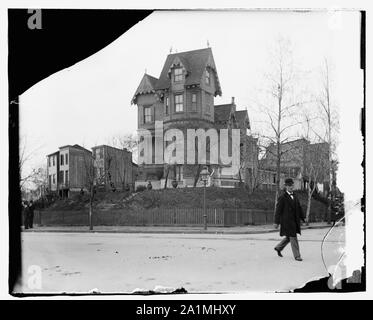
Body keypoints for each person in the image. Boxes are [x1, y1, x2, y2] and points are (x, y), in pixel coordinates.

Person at [274, 178, 305, 261]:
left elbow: (299, 208)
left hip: (294, 221)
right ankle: (297, 255)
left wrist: (303, 218)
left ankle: (278, 247)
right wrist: (276, 222)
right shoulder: (282, 197)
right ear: (286, 187)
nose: (291, 187)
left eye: (292, 185)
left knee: (289, 237)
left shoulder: (295, 196)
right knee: (293, 237)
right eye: (289, 186)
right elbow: (278, 211)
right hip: (287, 222)